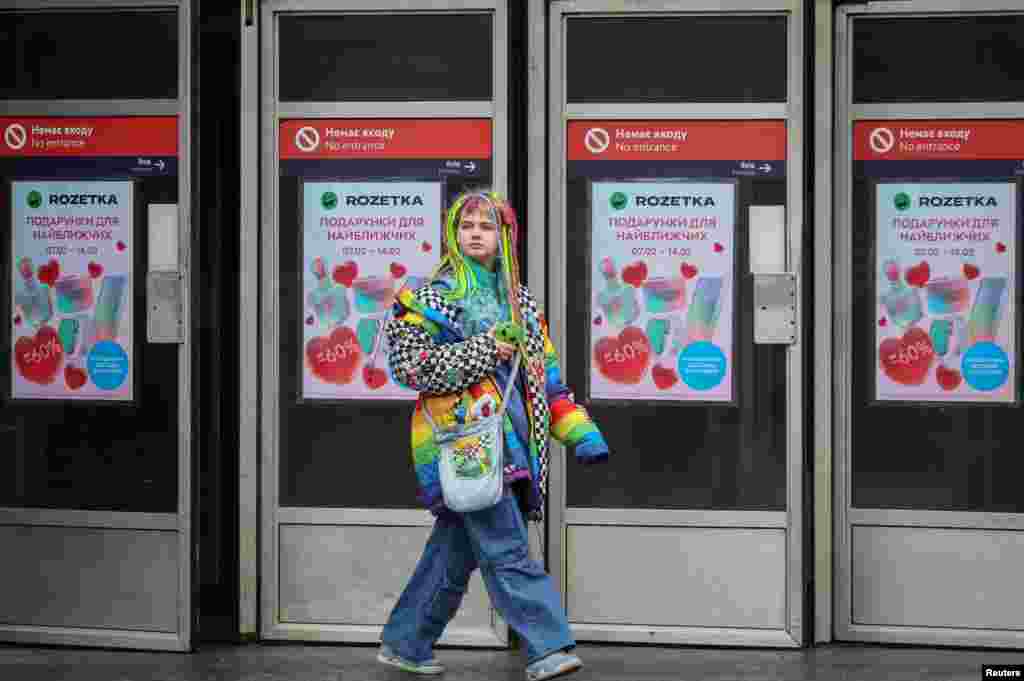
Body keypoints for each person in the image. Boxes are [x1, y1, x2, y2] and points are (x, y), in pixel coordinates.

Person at [377, 191, 609, 680]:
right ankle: (549, 647)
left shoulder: (521, 302)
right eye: (466, 225)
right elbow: (411, 369)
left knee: (454, 550)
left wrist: (580, 432)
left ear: (506, 236)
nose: (476, 232)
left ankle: (406, 642)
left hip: (514, 445)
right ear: (453, 234)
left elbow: (546, 380)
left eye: (488, 225)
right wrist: (488, 348)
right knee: (505, 547)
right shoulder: (425, 298)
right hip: (462, 443)